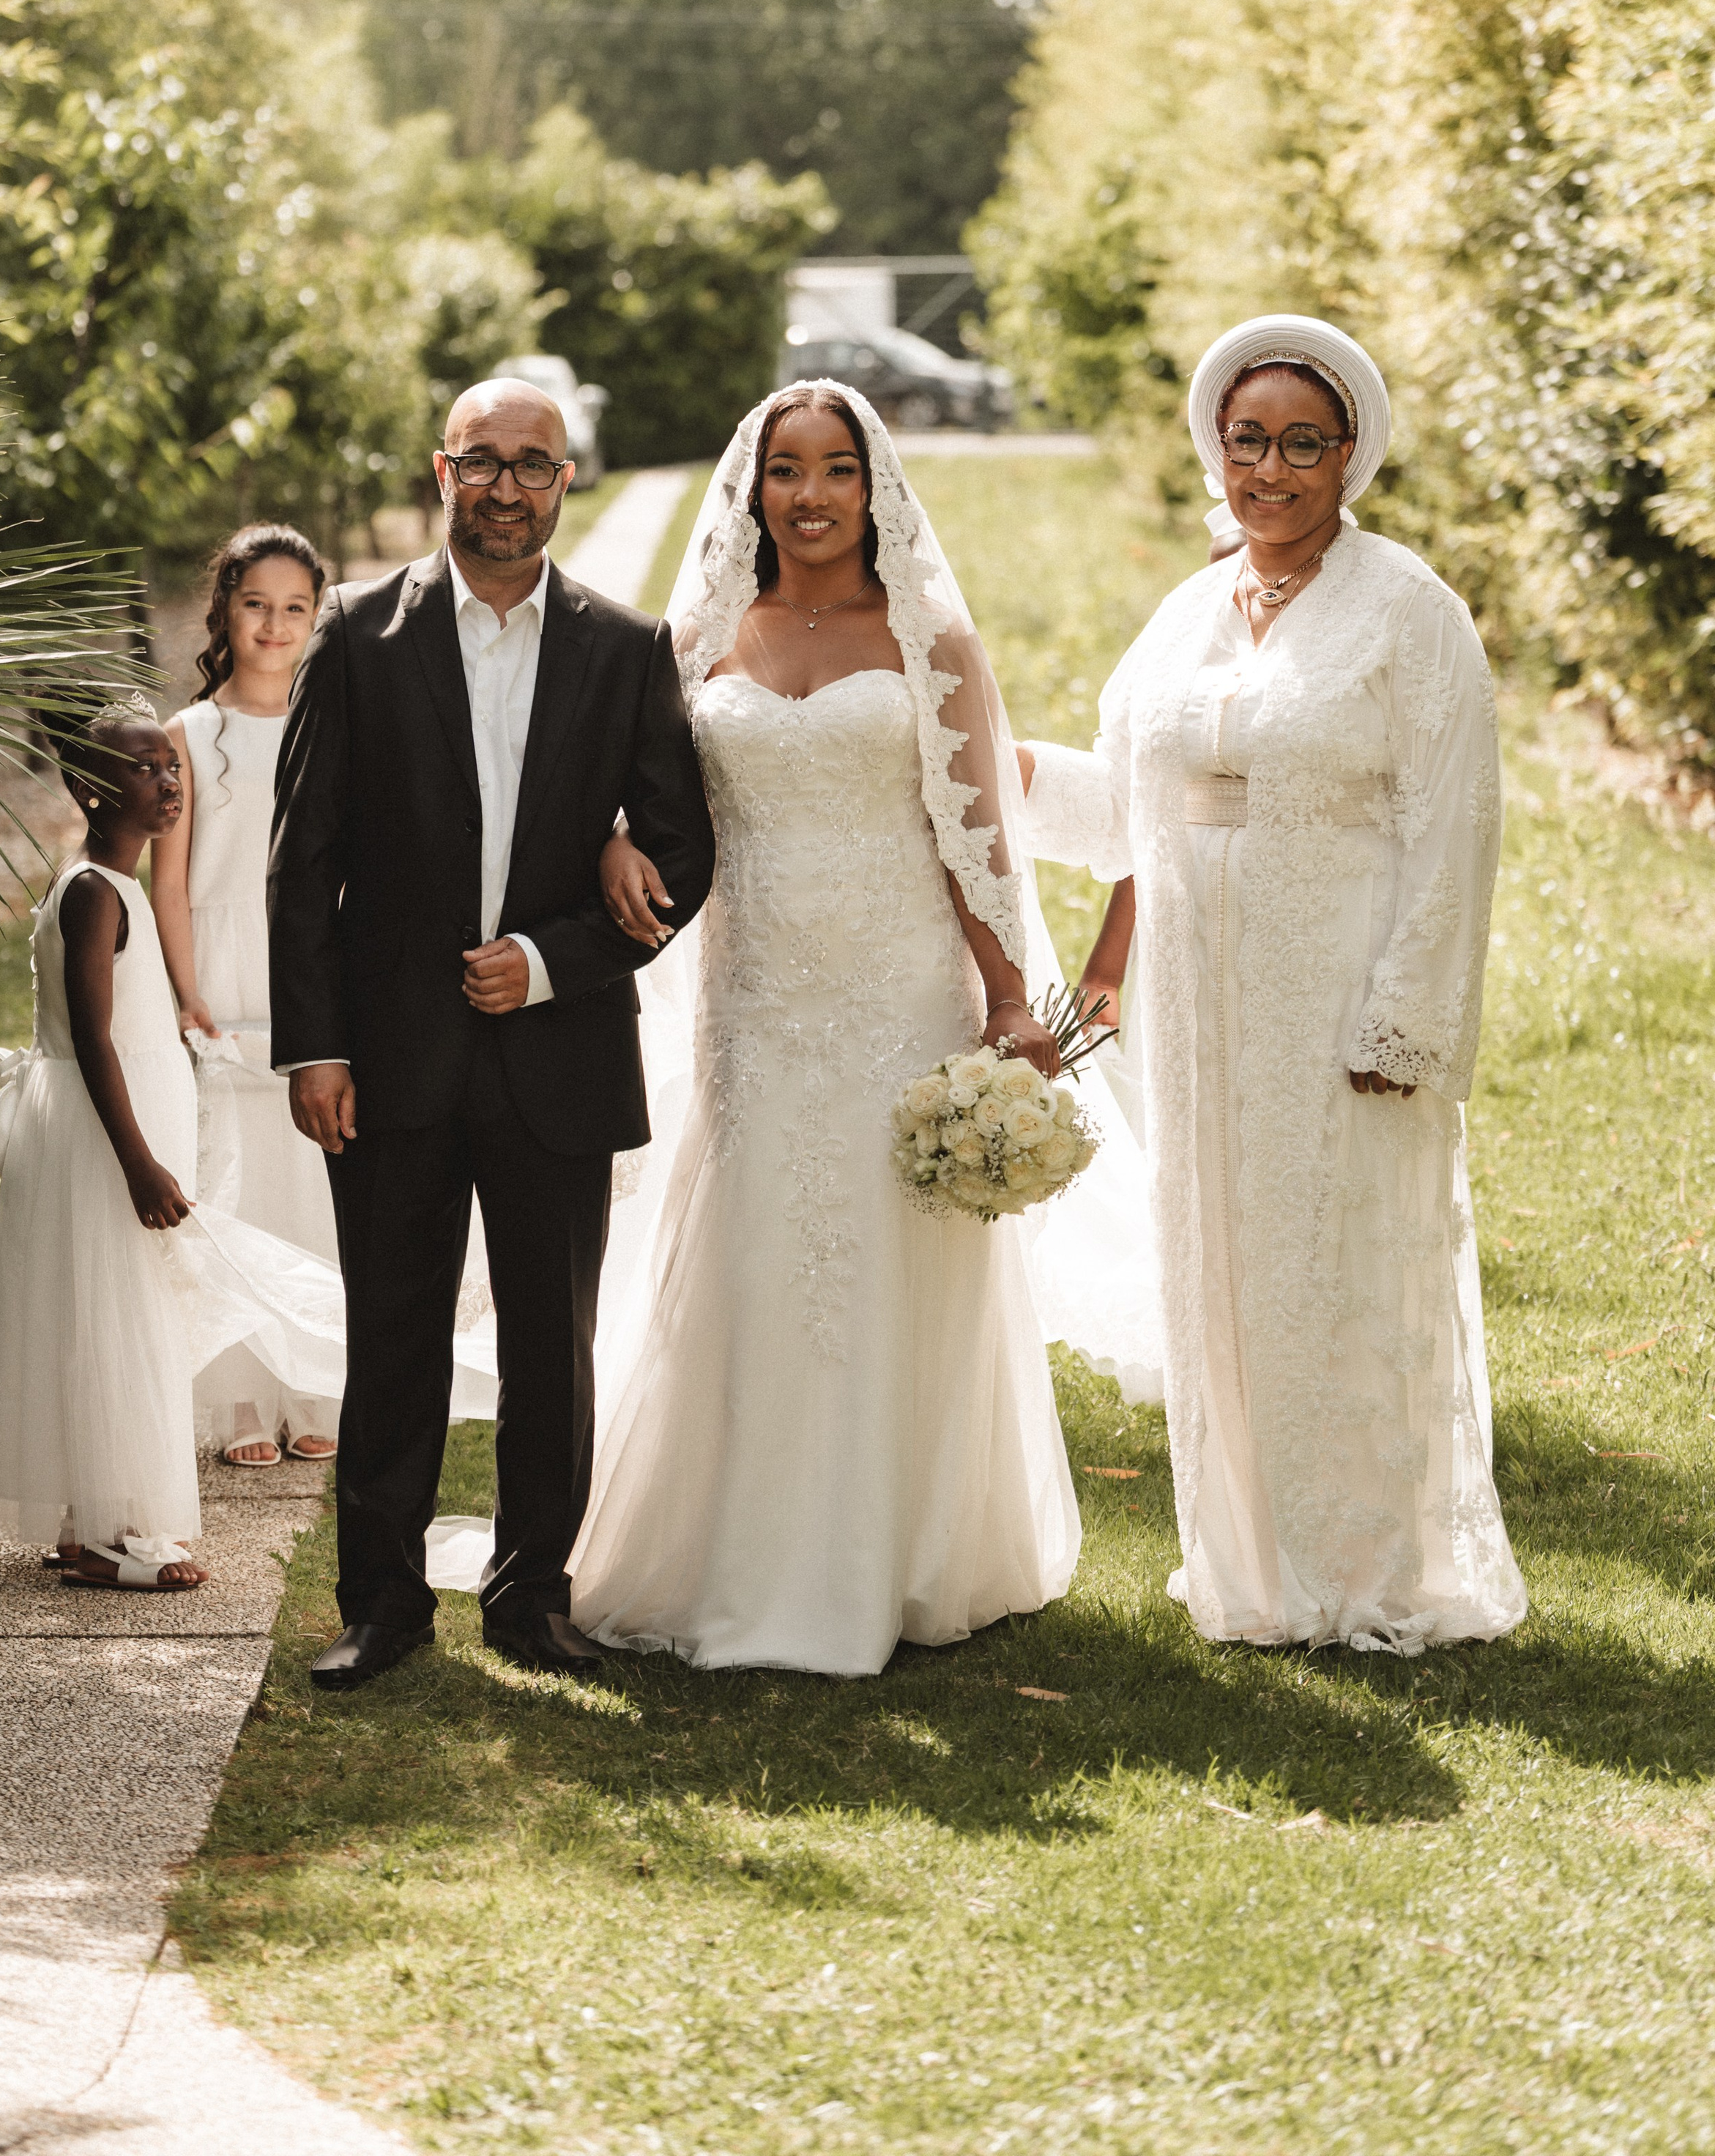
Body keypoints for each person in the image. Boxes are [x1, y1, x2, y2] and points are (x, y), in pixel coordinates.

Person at [1019, 315, 1527, 1654]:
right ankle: (1246, 1562)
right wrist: (987, 761)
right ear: (1217, 450)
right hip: (1197, 1000)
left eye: (1306, 444)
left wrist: (1406, 1020)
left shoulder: (1409, 609)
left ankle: (1363, 1571)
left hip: (1339, 985)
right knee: (1221, 1264)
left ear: (1349, 453)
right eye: (1250, 442)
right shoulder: (1189, 612)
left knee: (1345, 1267)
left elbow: (1455, 826)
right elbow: (1123, 804)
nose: (1275, 470)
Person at [570, 383, 1091, 1674]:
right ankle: (736, 1555)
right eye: (786, 471)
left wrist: (1010, 1001)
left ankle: (901, 1555)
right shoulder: (700, 640)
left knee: (882, 1257)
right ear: (752, 491)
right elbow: (626, 788)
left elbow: (976, 842)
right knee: (755, 1251)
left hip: (897, 996)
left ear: (874, 487)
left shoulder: (933, 644)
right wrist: (611, 839)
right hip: (756, 1005)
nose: (810, 496)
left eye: (836, 470)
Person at [269, 377, 716, 1689]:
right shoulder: (356, 635)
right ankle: (383, 1606)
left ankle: (531, 1598)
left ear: (565, 483)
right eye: (485, 462)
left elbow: (683, 848)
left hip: (555, 1060)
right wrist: (317, 1047)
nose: (508, 486)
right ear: (442, 469)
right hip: (390, 1059)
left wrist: (551, 961)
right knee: (394, 1337)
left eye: (534, 465)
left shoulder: (627, 651)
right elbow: (306, 867)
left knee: (549, 1347)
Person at [0, 699, 209, 1593]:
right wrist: (139, 1162)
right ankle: (111, 1537)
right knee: (112, 1314)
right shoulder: (95, 893)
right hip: (105, 1138)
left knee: (102, 1311)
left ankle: (88, 1519)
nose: (167, 778)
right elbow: (95, 1039)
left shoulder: (118, 885)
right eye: (143, 768)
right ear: (90, 790)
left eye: (168, 764)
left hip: (110, 1123)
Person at [152, 524, 341, 1469]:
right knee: (233, 1184)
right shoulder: (189, 735)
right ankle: (236, 1403)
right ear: (225, 611)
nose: (275, 625)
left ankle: (313, 1386)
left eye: (295, 608)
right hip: (223, 970)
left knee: (310, 1184)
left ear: (318, 618)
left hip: (310, 967)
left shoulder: (334, 723)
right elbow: (172, 883)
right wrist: (187, 994)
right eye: (255, 604)